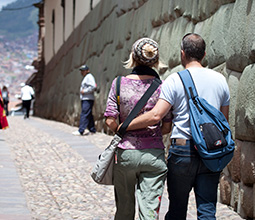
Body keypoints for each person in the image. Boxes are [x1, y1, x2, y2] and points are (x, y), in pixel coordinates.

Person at [123, 33, 230, 220]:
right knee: (207, 211)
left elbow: (156, 115)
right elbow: (223, 121)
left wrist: (126, 126)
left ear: (182, 54)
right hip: (211, 152)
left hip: (183, 151)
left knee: (177, 210)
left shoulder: (175, 80)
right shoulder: (220, 80)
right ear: (204, 54)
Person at [104, 37, 172, 220]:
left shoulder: (119, 84)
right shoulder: (162, 87)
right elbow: (166, 125)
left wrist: (123, 130)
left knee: (124, 209)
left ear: (133, 57)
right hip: (154, 154)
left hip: (126, 153)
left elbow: (110, 120)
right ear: (156, 61)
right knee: (149, 209)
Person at [72, 65, 97, 135]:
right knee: (88, 114)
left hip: (87, 98)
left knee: (84, 114)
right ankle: (92, 129)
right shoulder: (86, 77)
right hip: (86, 98)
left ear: (87, 70)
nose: (82, 72)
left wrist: (85, 91)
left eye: (83, 70)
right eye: (81, 71)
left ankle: (81, 130)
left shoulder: (89, 77)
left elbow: (93, 86)